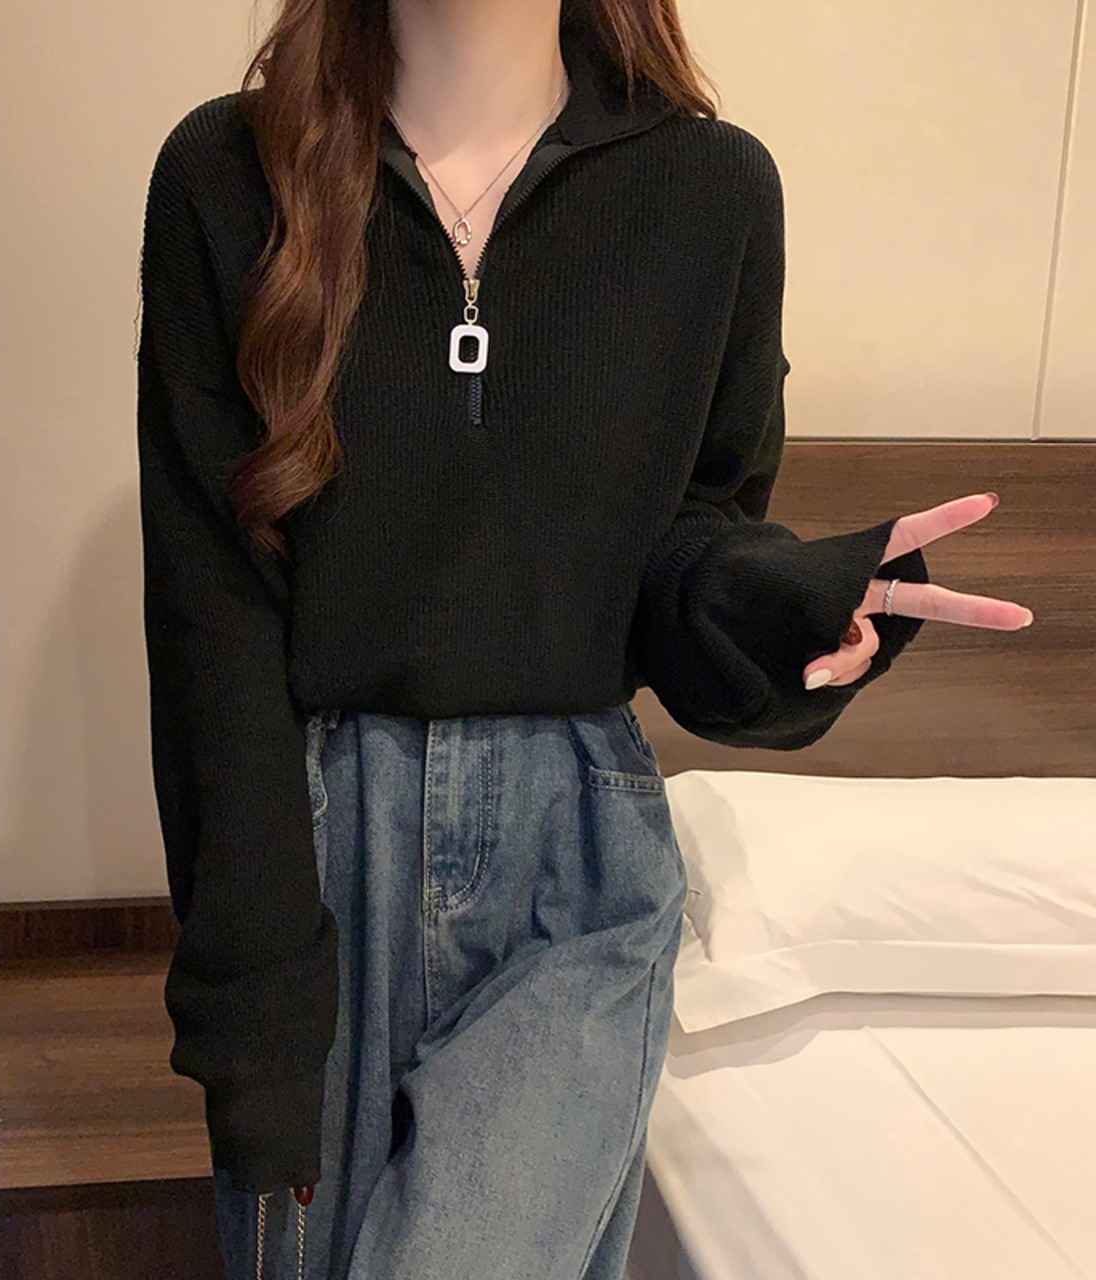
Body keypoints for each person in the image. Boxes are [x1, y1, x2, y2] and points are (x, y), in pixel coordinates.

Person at [134, 1, 1034, 1276]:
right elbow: (208, 622)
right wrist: (253, 1022)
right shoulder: (228, 173)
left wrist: (783, 611)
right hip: (318, 853)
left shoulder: (711, 190)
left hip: (577, 851)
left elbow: (688, 544)